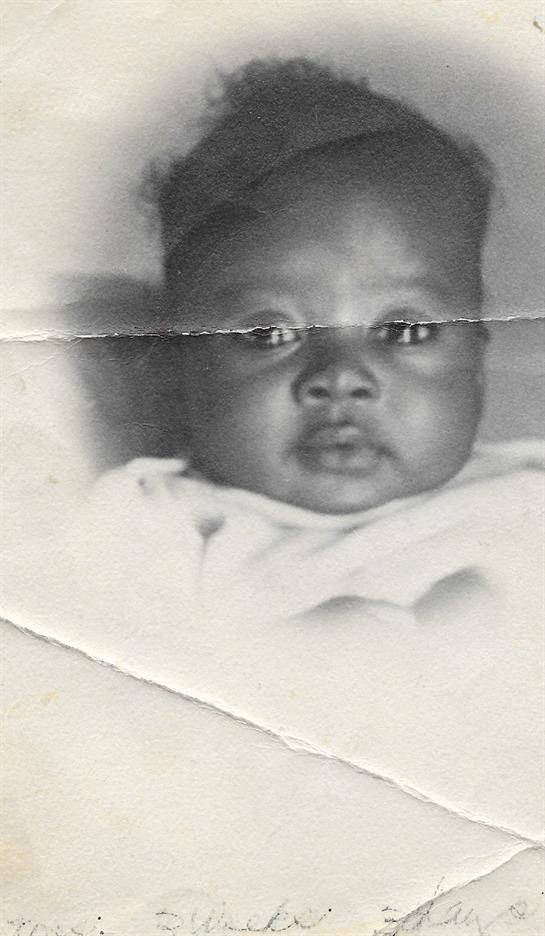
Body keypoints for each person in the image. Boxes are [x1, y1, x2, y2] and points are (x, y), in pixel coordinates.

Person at [3, 58, 543, 834]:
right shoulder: (155, 522)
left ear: (482, 354)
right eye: (268, 333)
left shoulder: (526, 501)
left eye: (405, 329)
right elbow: (101, 716)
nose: (340, 377)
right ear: (180, 356)